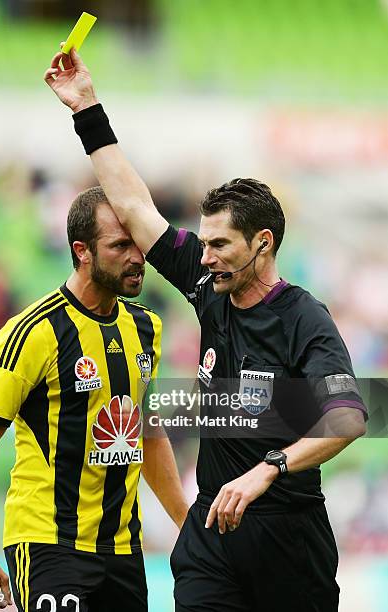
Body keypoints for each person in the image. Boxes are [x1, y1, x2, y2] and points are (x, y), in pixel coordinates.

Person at [44, 47, 369, 612]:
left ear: (262, 244)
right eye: (205, 241)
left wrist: (269, 469)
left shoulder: (304, 320)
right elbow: (134, 205)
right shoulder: (208, 285)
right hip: (213, 539)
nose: (207, 255)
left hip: (288, 538)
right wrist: (86, 107)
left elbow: (348, 418)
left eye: (221, 244)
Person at [0, 186, 188, 612]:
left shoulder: (146, 328)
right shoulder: (32, 332)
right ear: (82, 251)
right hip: (49, 544)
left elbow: (147, 434)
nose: (138, 256)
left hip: (123, 551)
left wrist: (186, 525)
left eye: (139, 243)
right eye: (121, 245)